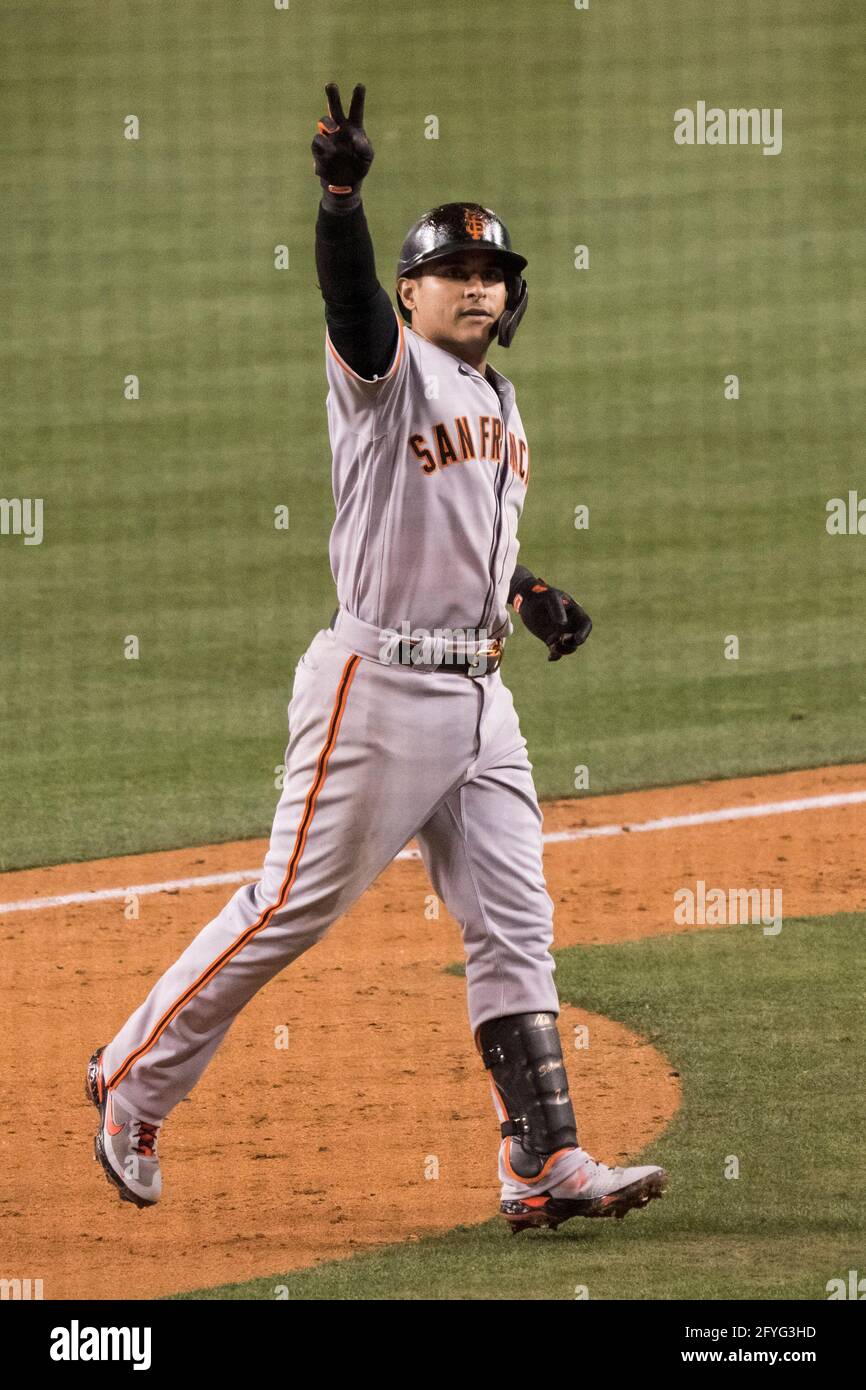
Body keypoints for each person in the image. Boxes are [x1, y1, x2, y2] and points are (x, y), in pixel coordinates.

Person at [86, 82, 668, 1234]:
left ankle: (540, 1159)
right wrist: (341, 199)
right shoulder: (383, 370)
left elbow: (447, 529)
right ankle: (132, 1078)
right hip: (375, 692)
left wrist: (524, 590)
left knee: (514, 923)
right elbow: (347, 300)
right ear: (412, 293)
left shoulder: (499, 403)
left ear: (511, 299)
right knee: (290, 906)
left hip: (478, 701)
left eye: (491, 272)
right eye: (451, 269)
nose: (474, 284)